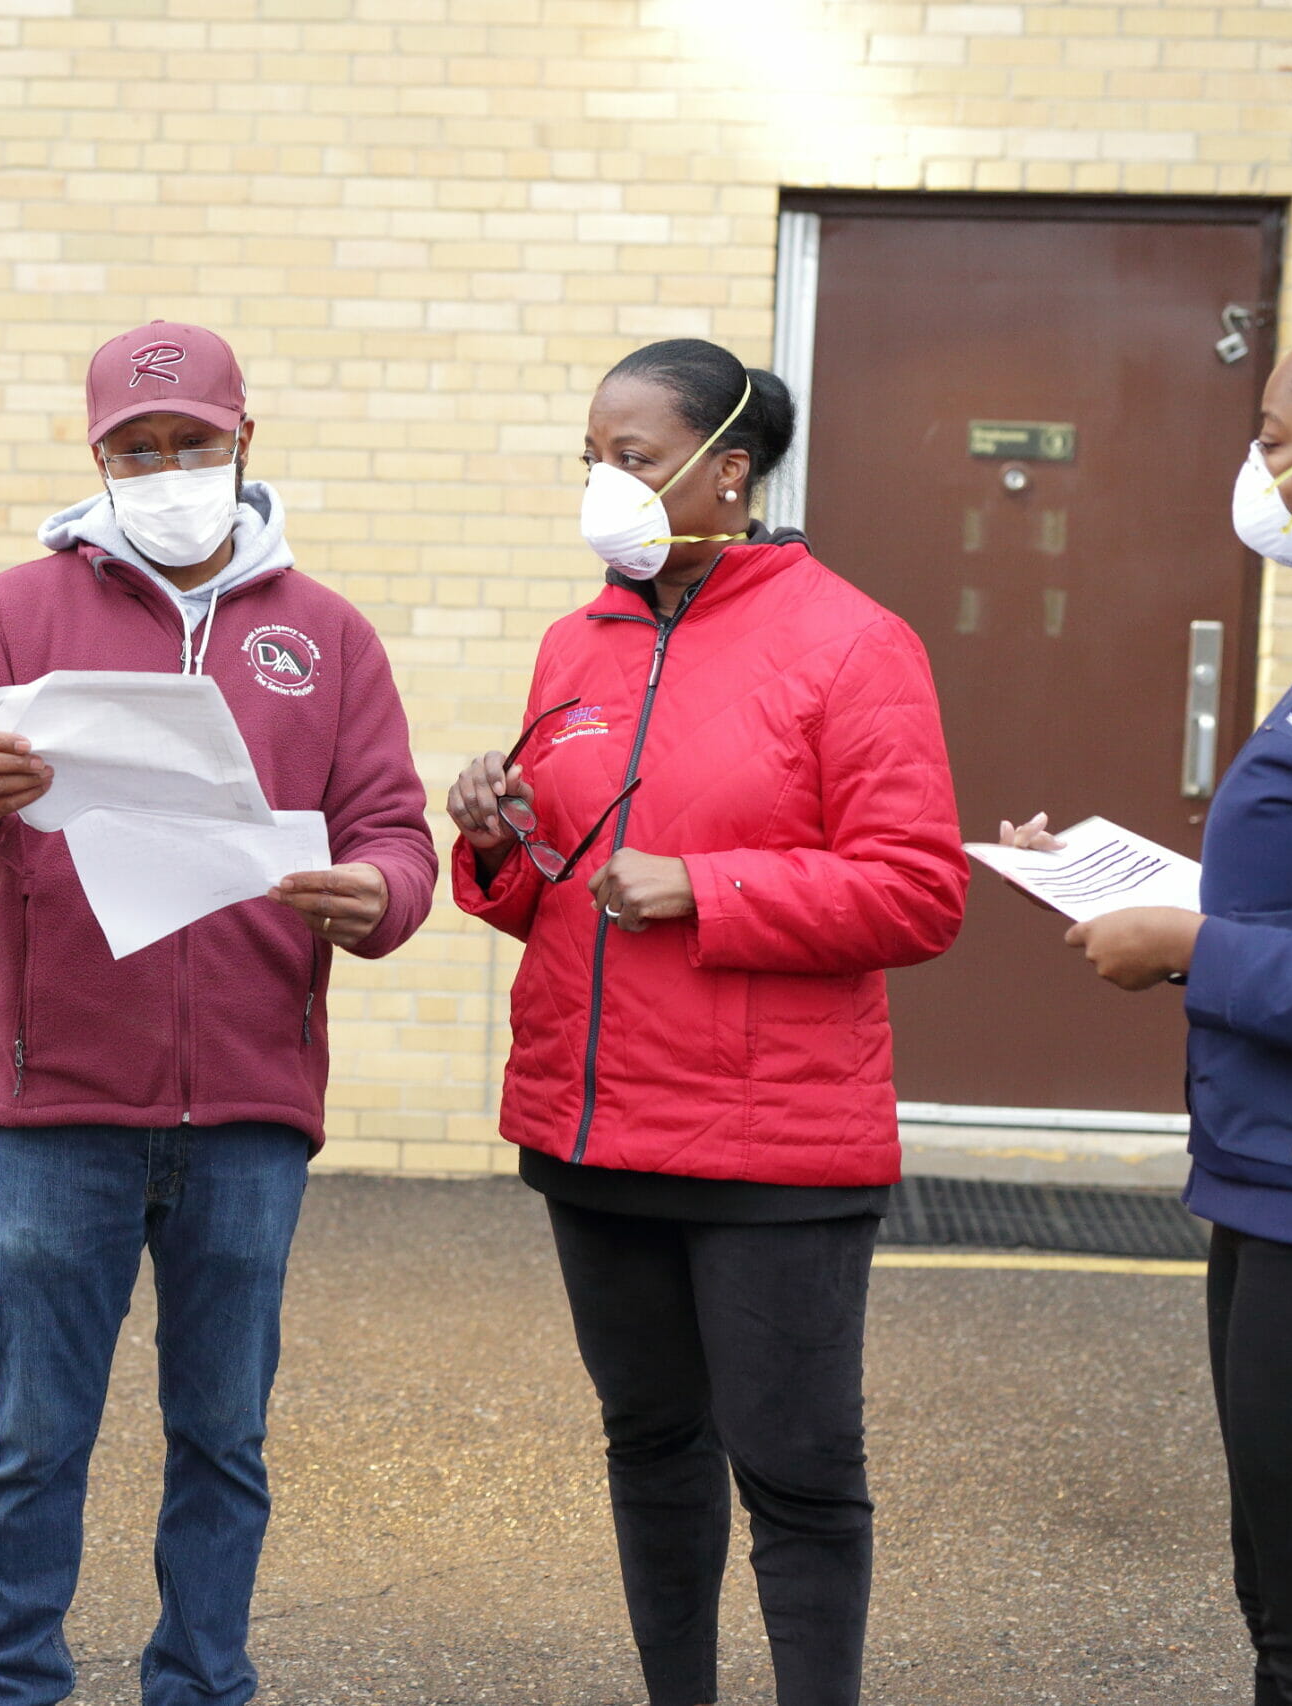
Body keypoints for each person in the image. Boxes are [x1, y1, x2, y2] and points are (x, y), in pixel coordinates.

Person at [0, 320, 437, 1706]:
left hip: (249, 1110)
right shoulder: (14, 615)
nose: (167, 467)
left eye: (192, 442)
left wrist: (378, 895)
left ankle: (201, 1681)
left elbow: (396, 835)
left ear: (247, 442)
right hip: (61, 1106)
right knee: (37, 1434)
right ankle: (9, 1680)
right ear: (98, 458)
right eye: (138, 447)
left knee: (224, 1438)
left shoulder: (326, 633)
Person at [445, 338, 968, 1706]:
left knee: (796, 1474)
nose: (603, 486)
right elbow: (556, 894)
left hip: (772, 1155)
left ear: (728, 470)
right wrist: (497, 836)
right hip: (595, 1132)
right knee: (650, 1443)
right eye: (591, 459)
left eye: (633, 456)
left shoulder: (854, 643)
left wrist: (706, 886)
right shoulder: (577, 642)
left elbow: (917, 893)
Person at [999, 317, 1292, 1706]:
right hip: (1272, 1182)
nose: (1254, 470)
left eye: (1272, 438)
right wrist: (1127, 887)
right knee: (1284, 1594)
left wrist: (1193, 941)